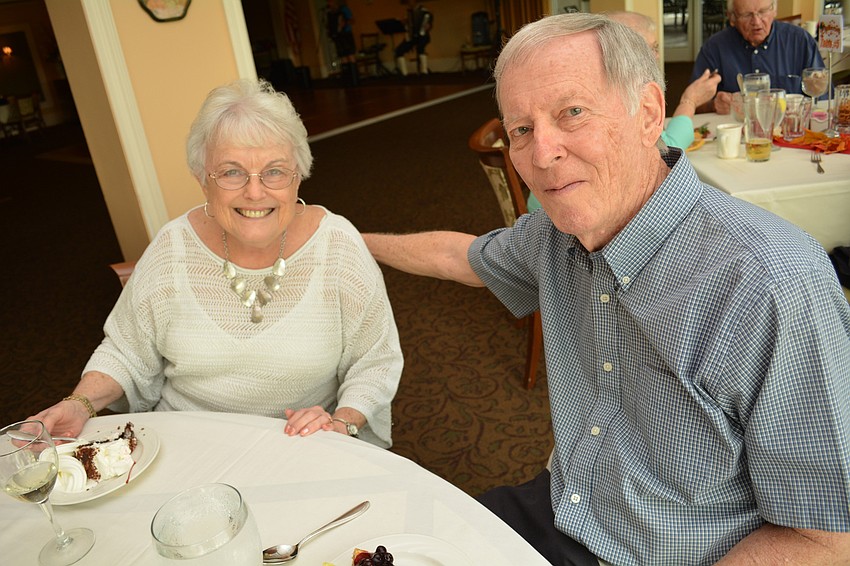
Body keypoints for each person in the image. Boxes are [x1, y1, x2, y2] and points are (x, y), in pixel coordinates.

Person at [363, 12, 850, 565]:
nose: (542, 155)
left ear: (648, 114)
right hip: (566, 508)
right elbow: (463, 257)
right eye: (521, 130)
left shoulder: (771, 284)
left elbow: (825, 541)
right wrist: (351, 239)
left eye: (572, 113)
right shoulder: (553, 234)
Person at [30, 79, 403, 449]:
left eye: (274, 171)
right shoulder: (172, 246)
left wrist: (342, 422)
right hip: (183, 445)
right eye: (230, 172)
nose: (254, 192)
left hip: (300, 446)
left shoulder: (338, 245)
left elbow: (375, 361)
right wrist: (78, 404)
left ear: (299, 175)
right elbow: (127, 351)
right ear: (202, 179)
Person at [528, 10, 720, 212]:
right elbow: (663, 152)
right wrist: (689, 101)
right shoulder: (606, 90)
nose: (655, 56)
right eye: (647, 49)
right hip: (554, 217)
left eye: (655, 48)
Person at [691, 0, 824, 114]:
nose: (756, 21)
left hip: (791, 135)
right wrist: (713, 105)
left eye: (763, 11)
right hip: (738, 135)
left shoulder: (800, 41)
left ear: (774, 10)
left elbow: (822, 98)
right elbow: (691, 103)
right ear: (732, 18)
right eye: (747, 15)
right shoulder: (714, 48)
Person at [394, 1, 433, 76]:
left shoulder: (426, 12)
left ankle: (424, 71)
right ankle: (404, 73)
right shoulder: (408, 13)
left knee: (420, 48)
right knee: (399, 50)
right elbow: (406, 26)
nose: (410, 4)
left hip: (423, 35)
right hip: (411, 37)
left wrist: (428, 25)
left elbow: (429, 24)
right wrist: (404, 23)